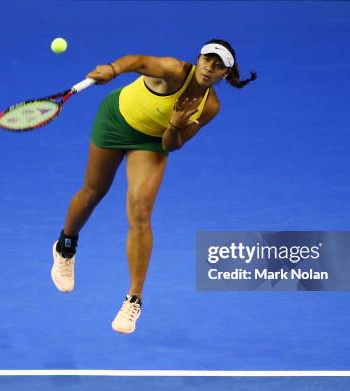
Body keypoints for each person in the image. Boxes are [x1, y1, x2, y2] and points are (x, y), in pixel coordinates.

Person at [50, 39, 256, 334]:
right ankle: (65, 247)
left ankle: (133, 298)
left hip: (152, 141)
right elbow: (138, 61)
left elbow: (173, 144)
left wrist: (174, 124)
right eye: (208, 60)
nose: (210, 68)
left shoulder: (209, 107)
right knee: (93, 192)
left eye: (219, 65)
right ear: (198, 59)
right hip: (115, 120)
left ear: (225, 74)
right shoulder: (173, 69)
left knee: (140, 212)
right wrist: (113, 68)